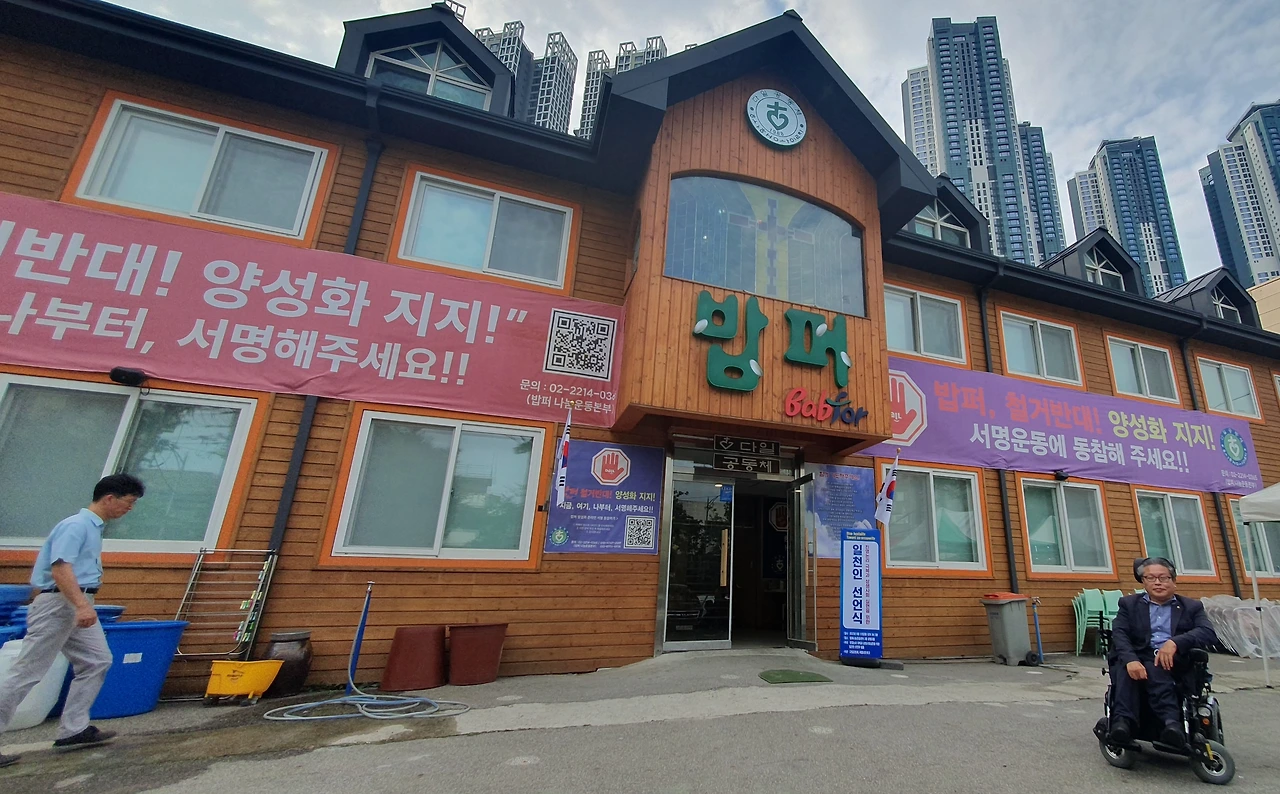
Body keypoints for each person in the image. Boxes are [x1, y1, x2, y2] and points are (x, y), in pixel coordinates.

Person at [0, 473, 145, 768]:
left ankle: (73, 730)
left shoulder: (93, 528)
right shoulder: (76, 525)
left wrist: (83, 605)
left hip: (78, 602)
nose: (129, 509)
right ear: (109, 498)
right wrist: (80, 606)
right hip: (60, 603)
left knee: (97, 660)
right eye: (128, 502)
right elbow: (60, 569)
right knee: (27, 672)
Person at [1107, 556, 1217, 749]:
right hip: (1139, 655)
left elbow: (1207, 632)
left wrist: (1175, 643)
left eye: (1163, 578)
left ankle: (1127, 722)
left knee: (1153, 667)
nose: (1157, 582)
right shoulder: (1128, 604)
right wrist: (1131, 659)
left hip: (1173, 660)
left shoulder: (1191, 607)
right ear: (1143, 582)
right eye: (1150, 578)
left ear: (1173, 581)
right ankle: (1167, 722)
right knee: (1129, 666)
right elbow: (1120, 633)